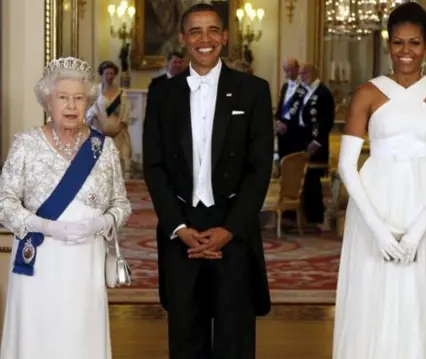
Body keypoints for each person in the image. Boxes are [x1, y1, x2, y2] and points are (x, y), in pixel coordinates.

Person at [332, 3, 426, 358]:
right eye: (398, 43)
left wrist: (417, 230)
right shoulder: (367, 93)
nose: (406, 52)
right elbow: (347, 166)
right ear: (387, 44)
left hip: (425, 206)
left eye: (414, 43)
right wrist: (377, 229)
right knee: (371, 293)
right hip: (374, 204)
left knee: (417, 297)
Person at [142, 3, 273, 359]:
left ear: (225, 37)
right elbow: (153, 167)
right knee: (185, 339)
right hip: (181, 232)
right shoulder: (162, 94)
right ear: (183, 39)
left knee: (235, 340)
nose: (205, 39)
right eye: (195, 32)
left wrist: (230, 229)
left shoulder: (254, 91)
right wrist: (179, 226)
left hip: (233, 230)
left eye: (213, 30)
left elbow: (259, 169)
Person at [0, 57, 132, 359]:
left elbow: (122, 204)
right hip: (39, 259)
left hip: (85, 259)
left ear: (87, 102)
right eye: (63, 98)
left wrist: (99, 224)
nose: (71, 106)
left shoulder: (104, 148)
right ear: (48, 102)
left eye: (78, 98)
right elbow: (4, 203)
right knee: (39, 333)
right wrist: (45, 226)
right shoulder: (26, 144)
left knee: (79, 333)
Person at [297, 63, 335, 225]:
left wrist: (317, 142)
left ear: (313, 73)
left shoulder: (323, 93)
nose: (302, 76)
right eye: (300, 74)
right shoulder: (304, 92)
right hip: (303, 140)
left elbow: (327, 120)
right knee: (303, 181)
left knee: (313, 180)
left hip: (316, 144)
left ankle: (315, 217)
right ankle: (305, 217)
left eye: (304, 73)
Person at [86, 61, 132, 179]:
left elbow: (125, 114)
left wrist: (117, 129)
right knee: (100, 165)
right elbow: (90, 113)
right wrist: (103, 129)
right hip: (99, 134)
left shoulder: (121, 94)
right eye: (107, 73)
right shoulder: (95, 93)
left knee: (116, 164)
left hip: (117, 135)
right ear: (102, 74)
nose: (109, 76)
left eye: (112, 73)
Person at [274, 58, 307, 160]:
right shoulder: (284, 87)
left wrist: (288, 126)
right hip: (283, 134)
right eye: (286, 70)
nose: (288, 73)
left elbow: (303, 113)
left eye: (290, 70)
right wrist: (278, 122)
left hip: (296, 133)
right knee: (283, 162)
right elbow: (280, 109)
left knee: (294, 164)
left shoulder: (304, 88)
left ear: (297, 69)